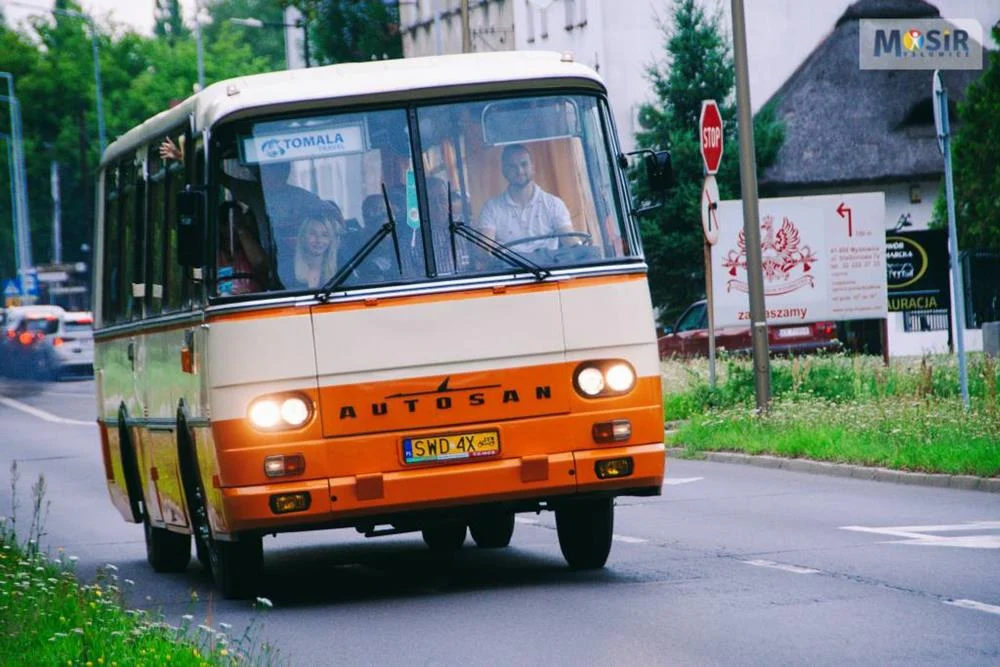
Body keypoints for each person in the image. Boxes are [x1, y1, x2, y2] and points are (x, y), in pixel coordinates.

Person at [477, 144, 579, 253]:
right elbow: (484, 248)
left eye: (524, 164)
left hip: (548, 268)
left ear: (533, 167)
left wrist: (581, 248)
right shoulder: (491, 208)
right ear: (503, 170)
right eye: (512, 166)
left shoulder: (553, 204)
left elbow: (570, 241)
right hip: (511, 268)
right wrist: (485, 252)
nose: (519, 171)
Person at [291, 211, 340, 289]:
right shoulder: (286, 270)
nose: (319, 240)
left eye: (325, 235)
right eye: (313, 234)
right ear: (303, 237)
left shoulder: (341, 271)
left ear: (331, 240)